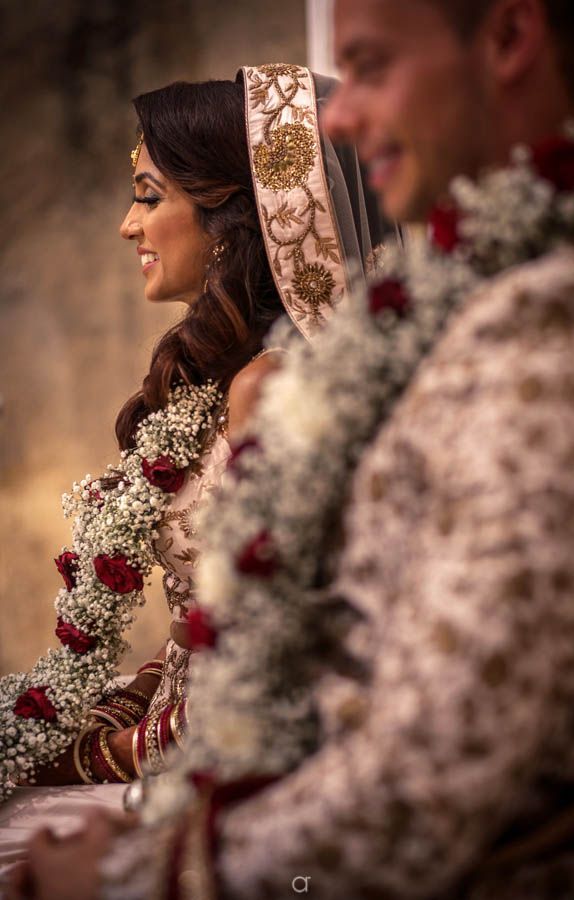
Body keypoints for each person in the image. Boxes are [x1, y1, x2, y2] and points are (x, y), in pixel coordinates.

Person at [8, 0, 574, 897]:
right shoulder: (462, 318)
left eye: (366, 67)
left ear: (510, 39)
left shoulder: (542, 338)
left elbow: (428, 751)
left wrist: (155, 866)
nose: (344, 118)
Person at [0, 64, 388, 882]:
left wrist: (92, 755)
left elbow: (271, 664)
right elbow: (200, 632)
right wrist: (97, 709)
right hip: (183, 721)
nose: (125, 226)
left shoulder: (271, 390)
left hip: (240, 757)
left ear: (229, 219)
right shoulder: (223, 379)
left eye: (148, 195)